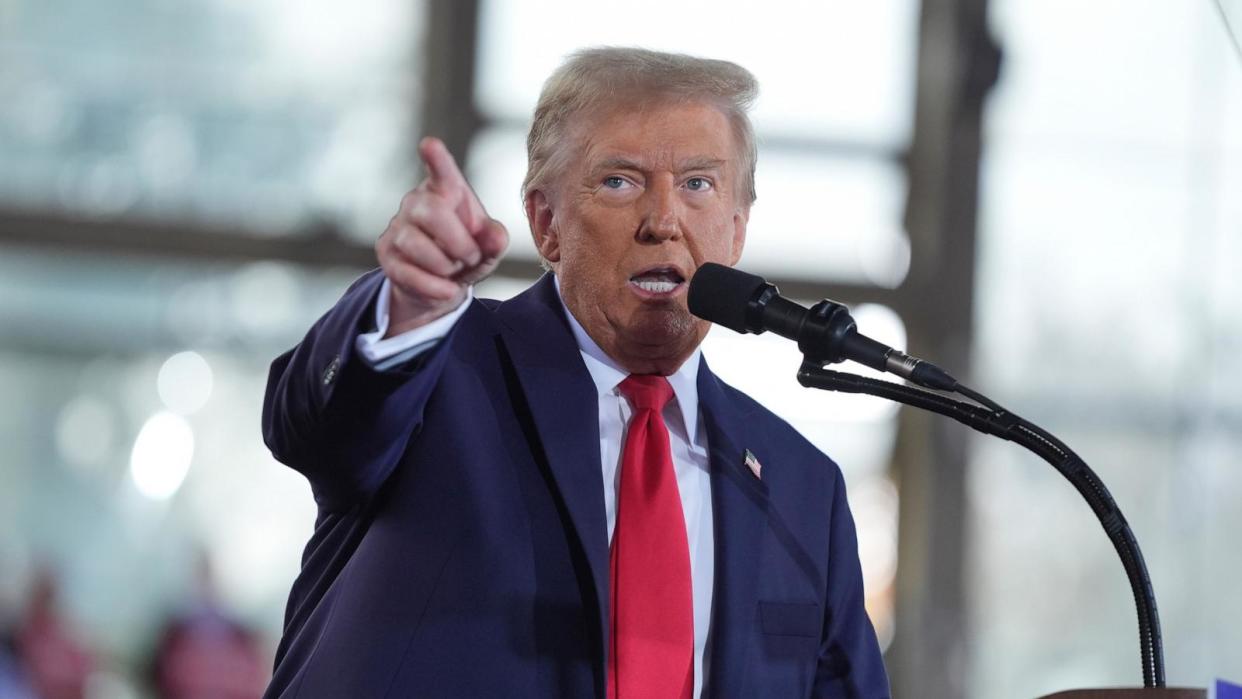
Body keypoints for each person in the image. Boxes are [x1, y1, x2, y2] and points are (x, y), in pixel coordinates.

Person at [261, 47, 890, 698]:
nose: (664, 220)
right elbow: (312, 427)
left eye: (698, 183)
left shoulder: (802, 490)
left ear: (737, 230)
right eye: (620, 181)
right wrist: (408, 306)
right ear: (545, 222)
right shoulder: (439, 363)